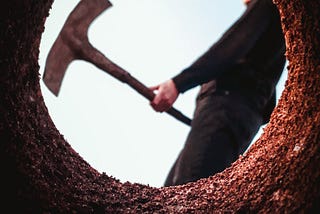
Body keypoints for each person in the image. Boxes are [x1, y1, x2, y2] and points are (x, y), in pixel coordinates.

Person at [150, 0, 286, 186]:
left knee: (188, 188)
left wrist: (178, 84)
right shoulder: (281, 30)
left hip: (225, 106)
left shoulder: (266, 4)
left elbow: (233, 46)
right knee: (172, 192)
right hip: (244, 118)